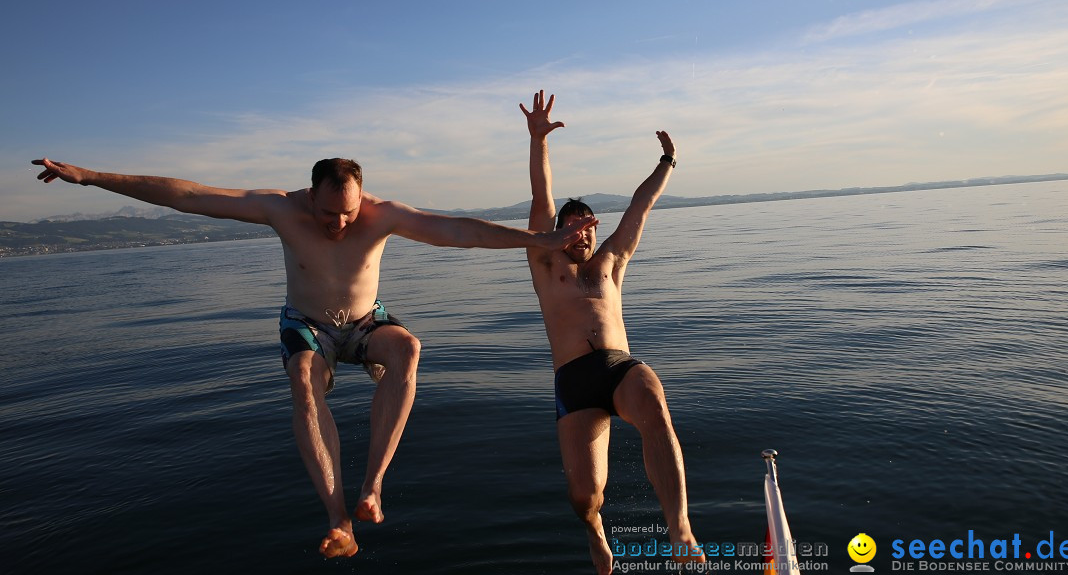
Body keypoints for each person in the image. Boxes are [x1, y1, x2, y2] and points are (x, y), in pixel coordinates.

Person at [32, 155, 595, 559]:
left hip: (366, 320)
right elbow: (185, 194)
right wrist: (87, 176)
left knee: (408, 349)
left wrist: (539, 241)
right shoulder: (278, 210)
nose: (339, 224)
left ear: (360, 199)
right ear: (310, 196)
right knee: (303, 378)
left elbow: (459, 231)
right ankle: (337, 520)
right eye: (329, 214)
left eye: (348, 214)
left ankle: (373, 487)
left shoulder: (381, 214)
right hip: (308, 326)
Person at [518, 91, 704, 574]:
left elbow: (640, 207)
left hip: (619, 366)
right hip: (574, 381)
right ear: (557, 233)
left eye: (588, 228)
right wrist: (538, 141)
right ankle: (596, 532)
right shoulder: (544, 262)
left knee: (654, 403)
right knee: (585, 495)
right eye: (572, 227)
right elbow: (542, 198)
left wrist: (668, 161)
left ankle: (679, 528)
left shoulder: (610, 263)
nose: (581, 235)